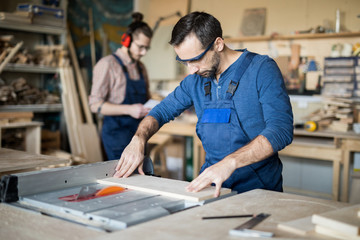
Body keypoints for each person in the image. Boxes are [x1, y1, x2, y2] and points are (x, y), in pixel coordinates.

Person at [114, 11, 293, 197]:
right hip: (211, 188)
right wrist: (138, 139)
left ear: (218, 44)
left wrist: (229, 162)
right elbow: (161, 111)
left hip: (258, 189)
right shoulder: (196, 80)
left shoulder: (261, 69)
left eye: (195, 59)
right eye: (184, 62)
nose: (191, 70)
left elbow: (281, 130)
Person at [89, 12, 152, 160]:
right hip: (116, 136)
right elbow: (94, 105)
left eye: (146, 48)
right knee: (124, 180)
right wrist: (129, 109)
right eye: (140, 47)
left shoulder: (141, 67)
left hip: (139, 136)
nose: (143, 52)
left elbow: (147, 98)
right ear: (127, 40)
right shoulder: (107, 65)